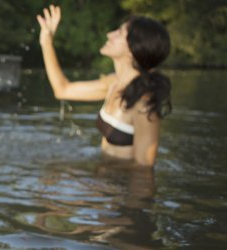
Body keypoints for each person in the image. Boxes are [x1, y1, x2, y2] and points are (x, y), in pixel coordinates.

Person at [36, 5, 172, 166]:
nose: (109, 34)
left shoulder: (143, 104)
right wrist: (46, 42)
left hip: (117, 186)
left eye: (119, 33)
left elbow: (144, 169)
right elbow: (62, 90)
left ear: (132, 49)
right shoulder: (112, 83)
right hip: (102, 179)